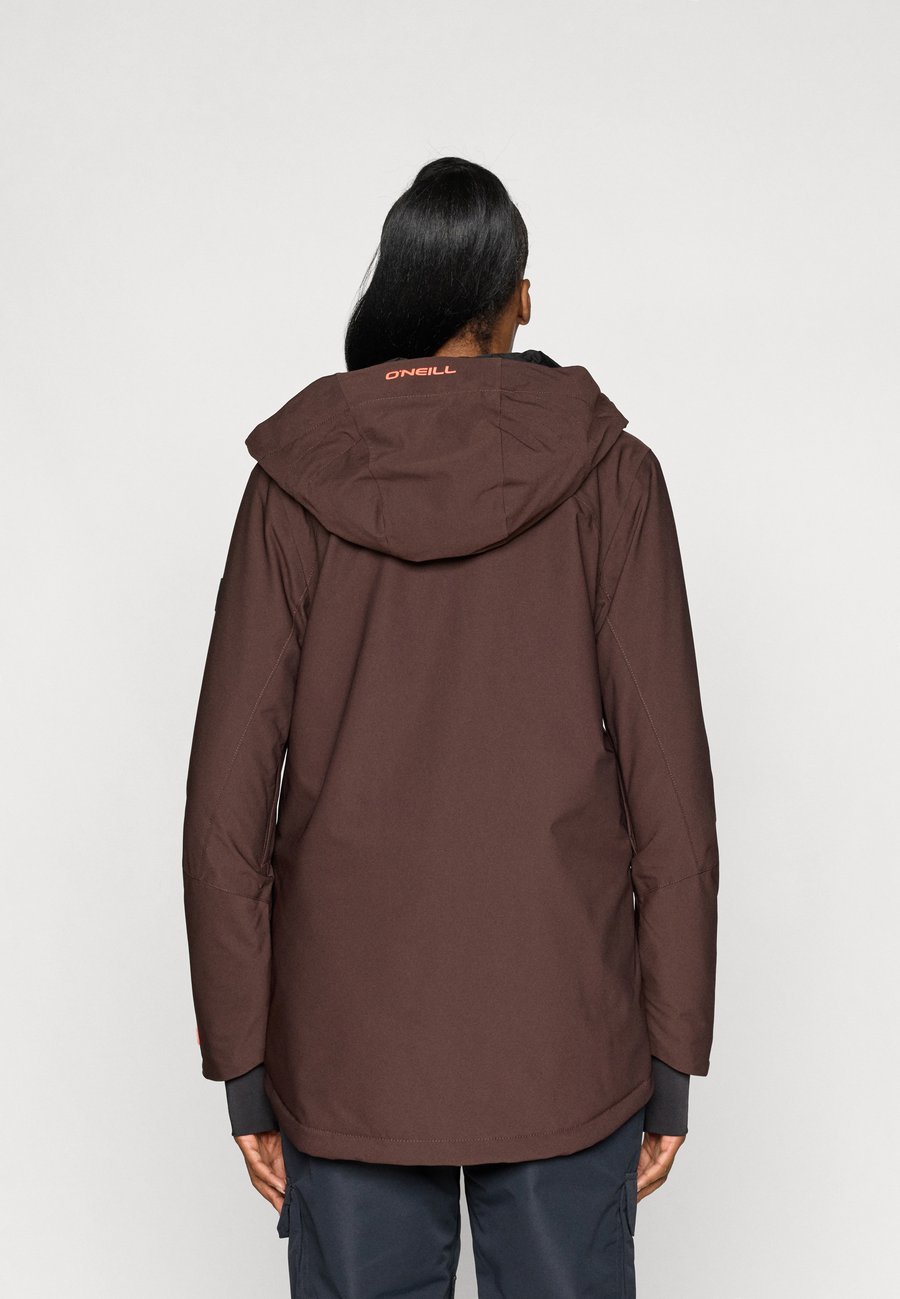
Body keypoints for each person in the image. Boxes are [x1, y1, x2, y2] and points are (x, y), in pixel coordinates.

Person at [182, 156, 719, 1298]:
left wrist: (244, 1065)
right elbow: (670, 796)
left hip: (346, 1050)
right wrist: (672, 1057)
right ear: (517, 296)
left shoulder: (294, 488)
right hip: (564, 1039)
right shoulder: (612, 480)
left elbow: (226, 805)